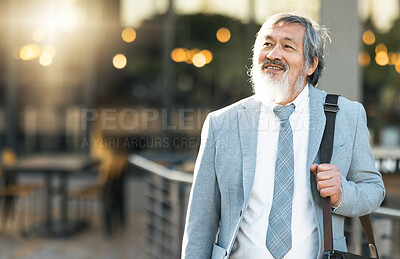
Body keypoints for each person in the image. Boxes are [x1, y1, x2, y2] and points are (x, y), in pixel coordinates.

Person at [181, 13, 385, 259]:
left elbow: (374, 190)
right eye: (267, 44)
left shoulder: (347, 115)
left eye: (287, 46)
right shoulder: (221, 123)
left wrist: (342, 193)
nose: (273, 54)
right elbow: (200, 221)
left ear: (311, 65)